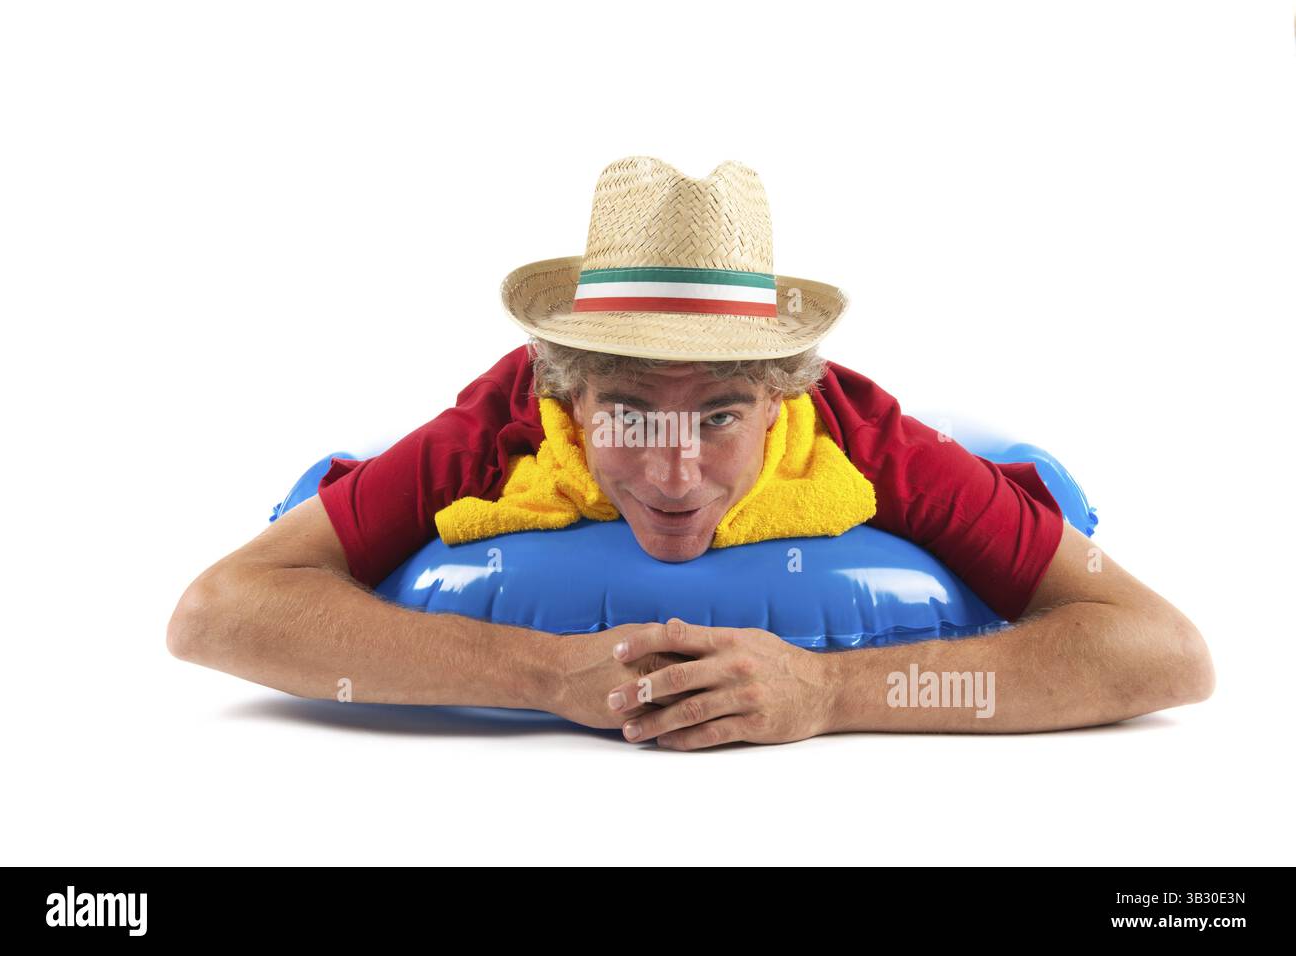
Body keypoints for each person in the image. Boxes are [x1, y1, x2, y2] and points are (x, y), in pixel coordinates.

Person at [167, 156, 1214, 749]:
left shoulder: (865, 433)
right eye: (628, 411)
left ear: (782, 397)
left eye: (718, 414)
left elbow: (1163, 649)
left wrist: (832, 693)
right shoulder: (503, 419)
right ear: (567, 394)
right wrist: (540, 672)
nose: (674, 477)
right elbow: (217, 611)